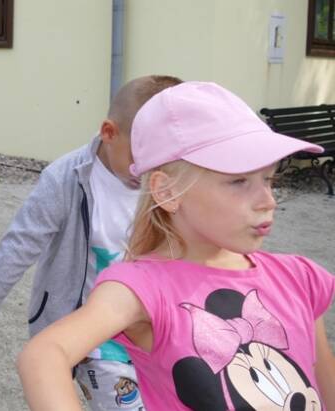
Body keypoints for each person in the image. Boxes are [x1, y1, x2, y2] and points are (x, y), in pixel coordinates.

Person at [17, 81, 335, 409]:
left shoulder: (300, 277)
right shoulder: (142, 287)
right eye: (239, 181)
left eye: (268, 179)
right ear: (167, 192)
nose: (267, 200)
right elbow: (45, 355)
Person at [0, 75, 182, 409]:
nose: (152, 169)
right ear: (109, 133)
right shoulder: (65, 180)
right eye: (142, 155)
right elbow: (13, 254)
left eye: (166, 158)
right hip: (99, 343)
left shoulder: (172, 182)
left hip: (159, 333)